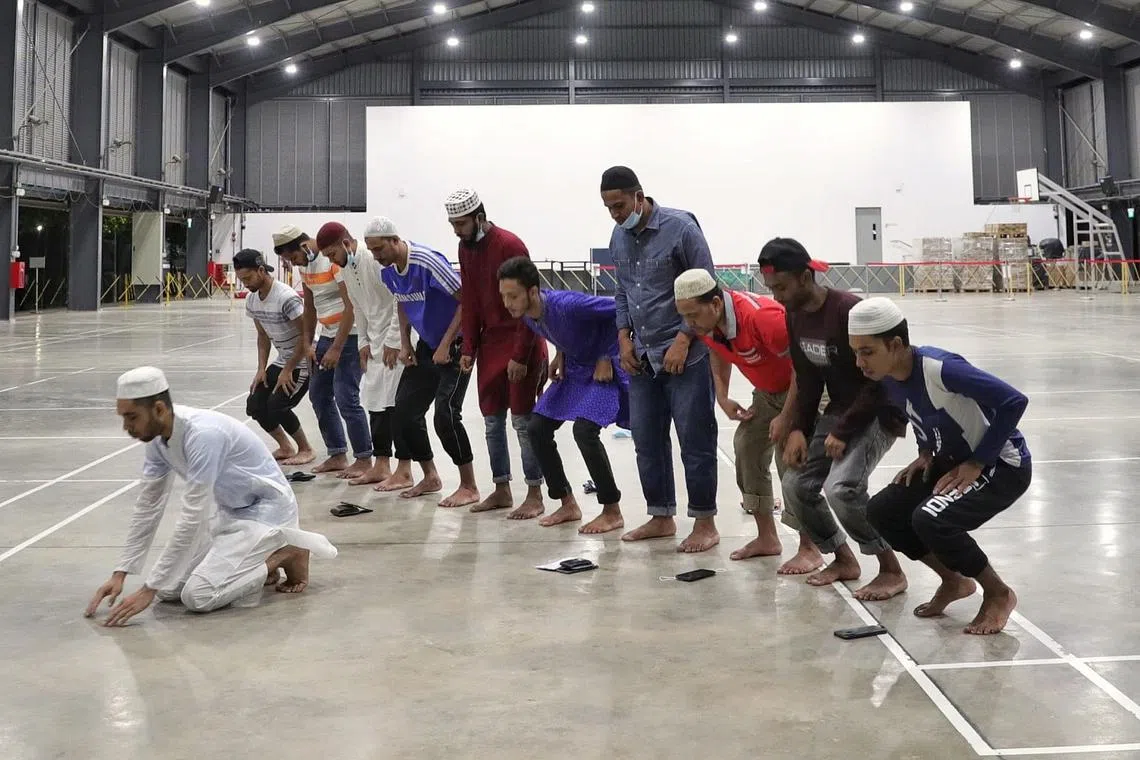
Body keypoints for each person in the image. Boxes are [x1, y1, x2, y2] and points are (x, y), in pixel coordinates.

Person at [84, 367, 338, 626]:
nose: (126, 427)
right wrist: (121, 572)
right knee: (168, 589)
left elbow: (192, 516)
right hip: (230, 510)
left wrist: (148, 589)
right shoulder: (157, 440)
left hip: (266, 512)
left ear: (159, 409)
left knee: (199, 596)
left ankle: (286, 552)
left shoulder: (203, 435)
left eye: (132, 417)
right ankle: (254, 560)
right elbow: (148, 506)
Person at [851, 298, 1031, 635]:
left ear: (895, 344)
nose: (859, 363)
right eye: (855, 353)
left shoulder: (941, 368)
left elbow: (1013, 401)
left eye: (867, 352)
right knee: (882, 511)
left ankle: (998, 593)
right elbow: (920, 411)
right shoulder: (888, 376)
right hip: (950, 460)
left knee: (931, 519)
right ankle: (953, 581)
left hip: (1001, 465)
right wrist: (925, 451)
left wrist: (978, 461)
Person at [758, 237, 909, 600]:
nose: (777, 296)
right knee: (796, 486)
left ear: (805, 277)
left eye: (781, 287)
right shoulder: (795, 315)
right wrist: (798, 428)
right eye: (771, 289)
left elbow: (879, 380)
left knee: (842, 488)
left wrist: (842, 431)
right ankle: (843, 559)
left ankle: (891, 569)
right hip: (840, 410)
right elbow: (807, 377)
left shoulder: (848, 312)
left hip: (878, 411)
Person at [600, 166, 720, 553]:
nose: (615, 214)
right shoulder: (618, 237)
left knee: (695, 440)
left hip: (686, 354)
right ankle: (661, 516)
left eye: (620, 205)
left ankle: (704, 522)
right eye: (608, 208)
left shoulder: (681, 228)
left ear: (639, 196)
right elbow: (622, 291)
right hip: (642, 356)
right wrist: (623, 337)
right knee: (647, 441)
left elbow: (707, 287)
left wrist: (685, 338)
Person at [673, 269, 824, 566]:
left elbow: (805, 367)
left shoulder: (762, 318)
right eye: (684, 316)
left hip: (807, 388)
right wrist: (722, 395)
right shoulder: (707, 322)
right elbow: (717, 349)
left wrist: (787, 417)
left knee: (790, 458)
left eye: (692, 315)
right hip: (768, 392)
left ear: (716, 304)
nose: (689, 325)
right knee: (747, 445)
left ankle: (810, 546)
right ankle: (767, 537)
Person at [498, 256, 628, 534]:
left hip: (605, 368)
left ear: (533, 291)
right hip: (575, 369)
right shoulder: (529, 315)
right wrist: (560, 353)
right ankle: (567, 503)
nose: (507, 303)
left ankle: (612, 510)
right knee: (537, 428)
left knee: (585, 431)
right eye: (503, 296)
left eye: (513, 296)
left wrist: (606, 355)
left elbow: (620, 311)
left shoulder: (569, 304)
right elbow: (563, 331)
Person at [445, 188, 548, 520]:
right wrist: (469, 347)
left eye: (461, 224)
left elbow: (529, 304)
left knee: (522, 421)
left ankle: (534, 493)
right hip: (490, 344)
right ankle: (501, 489)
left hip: (521, 339)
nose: (456, 231)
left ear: (479, 218)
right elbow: (471, 301)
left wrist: (521, 354)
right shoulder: (465, 248)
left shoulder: (509, 245)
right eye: (452, 225)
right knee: (492, 421)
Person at [368, 216, 480, 508]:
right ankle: (430, 476)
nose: (376, 256)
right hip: (426, 345)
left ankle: (469, 486)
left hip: (456, 345)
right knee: (404, 412)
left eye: (379, 249)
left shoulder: (426, 262)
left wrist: (445, 344)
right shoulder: (388, 271)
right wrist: (405, 343)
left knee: (446, 414)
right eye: (371, 251)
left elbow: (467, 301)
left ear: (395, 241)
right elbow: (403, 302)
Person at [314, 221, 414, 489]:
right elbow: (357, 307)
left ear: (346, 243)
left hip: (397, 339)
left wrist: (394, 340)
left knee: (395, 405)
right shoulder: (346, 268)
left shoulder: (374, 260)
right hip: (373, 341)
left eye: (332, 254)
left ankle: (404, 469)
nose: (331, 261)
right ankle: (380, 465)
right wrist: (363, 343)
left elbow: (400, 299)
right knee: (374, 401)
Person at [272, 224, 372, 479]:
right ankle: (337, 454)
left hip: (350, 336)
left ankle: (364, 458)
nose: (294, 264)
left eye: (293, 257)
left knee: (346, 396)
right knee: (319, 394)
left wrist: (337, 348)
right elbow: (310, 307)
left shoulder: (332, 261)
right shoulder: (306, 266)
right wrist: (308, 343)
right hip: (327, 335)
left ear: (303, 246)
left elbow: (351, 306)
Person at [233, 248, 315, 466]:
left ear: (261, 270)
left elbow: (306, 335)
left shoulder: (286, 298)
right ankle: (285, 447)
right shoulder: (252, 300)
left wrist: (288, 370)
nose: (245, 284)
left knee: (277, 405)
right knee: (255, 404)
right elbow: (262, 336)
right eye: (241, 280)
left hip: (303, 361)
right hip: (283, 359)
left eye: (248, 278)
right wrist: (261, 369)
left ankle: (306, 449)